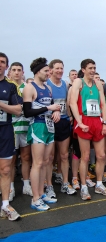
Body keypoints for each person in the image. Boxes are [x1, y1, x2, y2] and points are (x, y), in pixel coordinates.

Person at [70, 58, 106, 200]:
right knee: (85, 156)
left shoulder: (98, 84)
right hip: (84, 120)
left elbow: (103, 105)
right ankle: (84, 187)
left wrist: (105, 123)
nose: (93, 70)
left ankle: (99, 184)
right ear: (83, 70)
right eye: (90, 68)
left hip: (97, 121)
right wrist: (79, 122)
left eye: (94, 68)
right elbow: (73, 103)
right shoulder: (78, 82)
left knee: (101, 155)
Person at [23, 57, 61, 211]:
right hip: (37, 126)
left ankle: (41, 193)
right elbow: (27, 112)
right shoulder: (29, 88)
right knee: (37, 163)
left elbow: (52, 106)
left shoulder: (48, 88)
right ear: (38, 71)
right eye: (46, 71)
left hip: (49, 126)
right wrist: (49, 109)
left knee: (46, 161)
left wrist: (56, 112)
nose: (48, 73)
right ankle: (35, 198)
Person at [47, 59, 76, 196]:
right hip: (50, 123)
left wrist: (69, 116)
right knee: (50, 156)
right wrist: (53, 112)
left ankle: (65, 183)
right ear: (51, 70)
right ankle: (49, 185)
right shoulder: (47, 85)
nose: (59, 71)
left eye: (61, 68)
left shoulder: (65, 84)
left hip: (64, 122)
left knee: (64, 155)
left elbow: (67, 103)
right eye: (57, 68)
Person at [0, 52, 22, 221]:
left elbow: (17, 110)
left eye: (2, 62)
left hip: (5, 130)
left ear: (5, 66)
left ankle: (5, 204)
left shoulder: (10, 86)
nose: (0, 64)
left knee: (6, 169)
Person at [10, 62, 33, 200]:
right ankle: (10, 187)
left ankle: (26, 185)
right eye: (14, 70)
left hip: (26, 126)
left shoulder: (27, 87)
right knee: (11, 160)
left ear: (23, 72)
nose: (17, 72)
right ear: (10, 72)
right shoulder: (7, 87)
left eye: (19, 70)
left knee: (26, 158)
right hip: (11, 128)